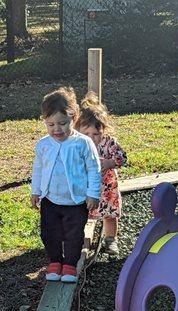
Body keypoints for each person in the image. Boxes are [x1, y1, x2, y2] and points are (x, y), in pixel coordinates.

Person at [31, 87, 101, 283]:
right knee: (49, 233)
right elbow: (38, 169)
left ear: (74, 118)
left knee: (73, 234)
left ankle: (70, 264)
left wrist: (93, 194)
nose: (57, 129)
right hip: (50, 199)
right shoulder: (43, 145)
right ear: (44, 121)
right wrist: (35, 191)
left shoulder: (83, 143)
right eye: (51, 124)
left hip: (76, 201)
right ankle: (55, 261)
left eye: (62, 123)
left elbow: (93, 170)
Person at [75, 91, 127, 255]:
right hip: (86, 188)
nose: (91, 138)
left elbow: (122, 157)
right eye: (87, 134)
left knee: (109, 215)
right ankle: (79, 239)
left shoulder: (109, 142)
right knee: (81, 214)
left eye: (96, 134)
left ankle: (111, 240)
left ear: (103, 130)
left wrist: (110, 162)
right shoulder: (78, 143)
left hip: (107, 188)